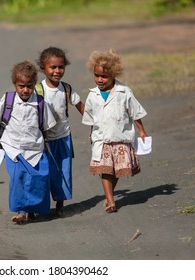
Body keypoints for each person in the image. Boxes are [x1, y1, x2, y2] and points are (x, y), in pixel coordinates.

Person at [0, 61, 57, 223]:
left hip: (35, 148)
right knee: (18, 178)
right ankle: (21, 211)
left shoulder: (39, 103)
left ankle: (33, 209)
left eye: (29, 86)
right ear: (14, 84)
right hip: (13, 148)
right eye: (21, 86)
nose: (25, 90)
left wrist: (46, 143)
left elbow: (45, 127)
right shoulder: (8, 99)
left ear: (34, 85)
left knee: (38, 178)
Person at [82, 49, 148, 213]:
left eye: (104, 76)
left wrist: (142, 131)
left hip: (120, 137)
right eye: (97, 76)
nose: (99, 79)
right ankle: (111, 201)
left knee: (117, 170)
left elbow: (135, 112)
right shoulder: (92, 95)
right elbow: (91, 117)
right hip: (102, 139)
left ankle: (109, 194)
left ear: (114, 75)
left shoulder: (124, 92)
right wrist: (91, 133)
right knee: (105, 169)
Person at [36, 47, 84, 217]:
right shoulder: (37, 90)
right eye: (53, 67)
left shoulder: (67, 89)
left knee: (62, 171)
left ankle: (59, 205)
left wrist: (95, 124)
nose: (57, 71)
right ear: (43, 68)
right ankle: (38, 206)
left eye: (61, 67)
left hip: (63, 137)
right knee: (43, 172)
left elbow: (81, 107)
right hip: (43, 141)